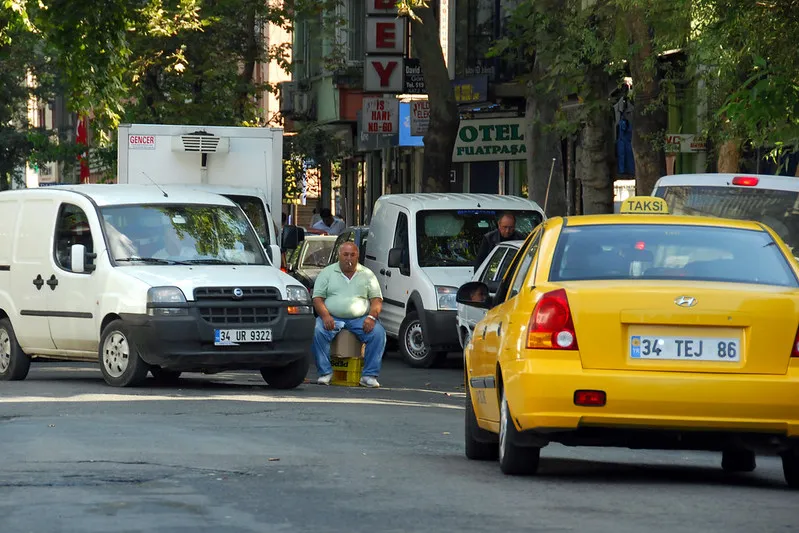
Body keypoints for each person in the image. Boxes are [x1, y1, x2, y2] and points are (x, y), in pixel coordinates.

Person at [312, 242, 386, 387]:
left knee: (379, 333)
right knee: (317, 330)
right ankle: (325, 372)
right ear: (339, 256)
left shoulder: (367, 274)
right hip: (332, 317)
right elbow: (317, 299)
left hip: (360, 319)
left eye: (352, 255)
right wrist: (326, 316)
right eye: (345, 255)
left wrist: (371, 317)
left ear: (357, 255)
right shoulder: (327, 273)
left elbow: (376, 300)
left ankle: (369, 376)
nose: (349, 258)